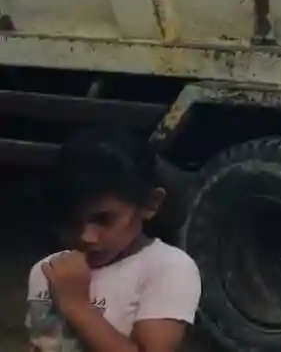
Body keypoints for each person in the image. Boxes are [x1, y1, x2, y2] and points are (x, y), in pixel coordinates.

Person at [26, 129, 200, 352]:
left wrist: (76, 306)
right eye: (72, 222)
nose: (86, 237)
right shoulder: (47, 270)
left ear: (150, 204)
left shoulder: (167, 268)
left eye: (103, 220)